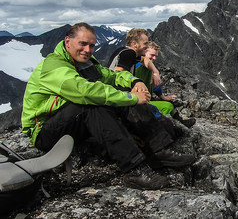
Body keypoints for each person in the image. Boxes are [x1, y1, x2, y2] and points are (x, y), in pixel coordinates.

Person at [21, 23, 194, 190]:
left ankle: (158, 150)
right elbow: (85, 92)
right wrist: (132, 97)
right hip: (43, 131)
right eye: (83, 44)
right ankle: (133, 168)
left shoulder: (83, 61)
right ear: (68, 41)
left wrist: (134, 81)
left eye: (91, 45)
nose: (87, 50)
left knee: (118, 94)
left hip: (71, 123)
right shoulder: (54, 66)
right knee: (93, 104)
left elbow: (110, 76)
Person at [108, 30, 195, 127]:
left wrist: (156, 72)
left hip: (120, 100)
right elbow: (117, 73)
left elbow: (145, 59)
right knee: (167, 107)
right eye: (145, 43)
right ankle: (172, 127)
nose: (146, 46)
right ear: (134, 44)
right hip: (123, 102)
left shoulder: (123, 51)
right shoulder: (128, 54)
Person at [135, 42, 196, 127]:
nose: (154, 58)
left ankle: (179, 121)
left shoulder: (148, 69)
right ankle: (160, 127)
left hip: (145, 100)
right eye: (152, 55)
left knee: (170, 103)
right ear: (144, 52)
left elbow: (155, 86)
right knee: (167, 107)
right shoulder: (138, 68)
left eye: (156, 56)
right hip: (138, 103)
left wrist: (164, 97)